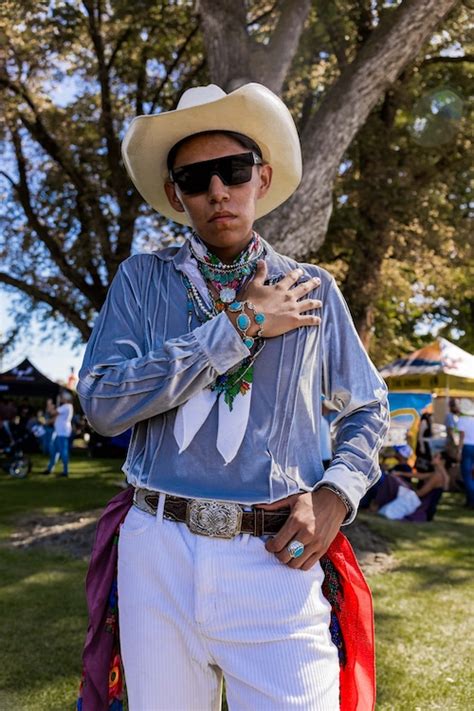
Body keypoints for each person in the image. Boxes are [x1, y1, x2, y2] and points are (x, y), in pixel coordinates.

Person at [77, 83, 389, 710]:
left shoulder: (313, 290)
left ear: (261, 177)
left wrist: (336, 494)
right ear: (175, 195)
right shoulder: (142, 280)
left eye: (233, 170)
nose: (217, 191)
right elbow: (103, 402)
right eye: (195, 179)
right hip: (156, 551)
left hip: (276, 558)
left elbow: (367, 408)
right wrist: (237, 327)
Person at [41, 391, 74, 477]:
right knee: (54, 451)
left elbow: (52, 413)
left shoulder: (67, 406)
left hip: (62, 433)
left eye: (63, 397)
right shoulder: (65, 407)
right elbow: (56, 418)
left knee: (63, 452)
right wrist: (47, 422)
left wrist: (49, 405)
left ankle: (65, 471)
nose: (61, 398)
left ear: (66, 398)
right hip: (59, 432)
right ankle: (49, 469)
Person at [457, 398, 474, 508]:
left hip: (467, 447)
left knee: (467, 475)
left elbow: (462, 437)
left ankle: (471, 501)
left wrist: (458, 451)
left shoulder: (462, 419)